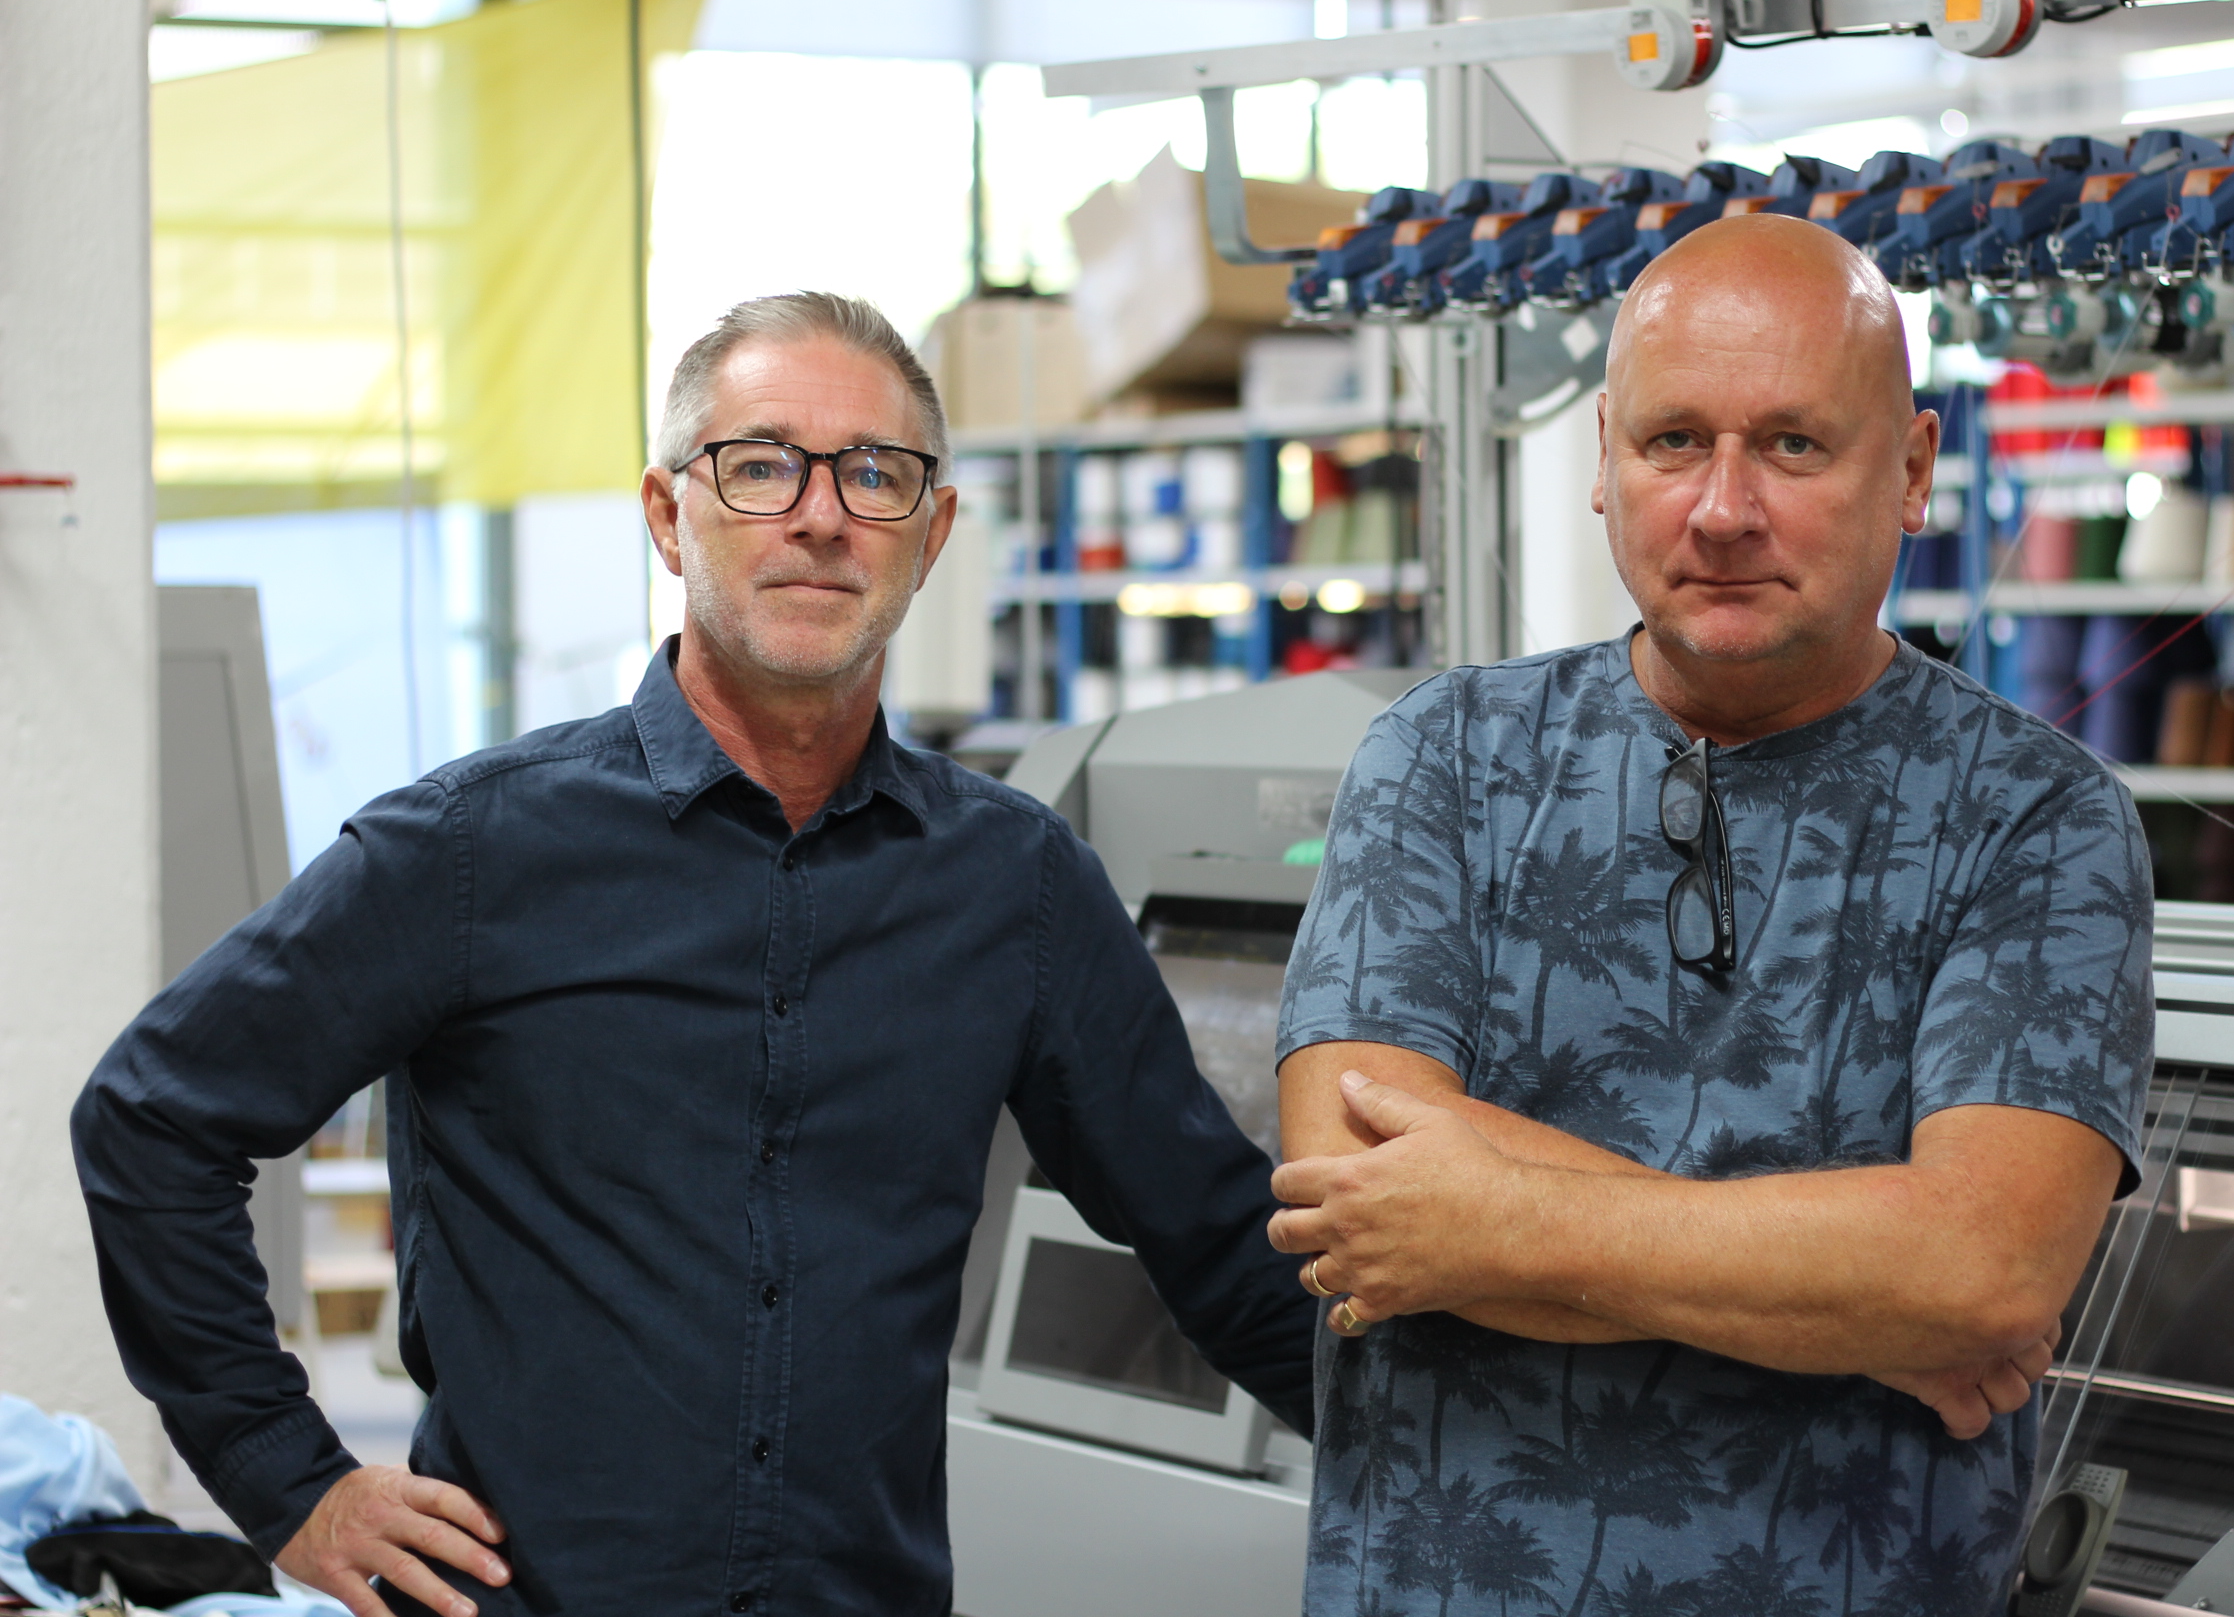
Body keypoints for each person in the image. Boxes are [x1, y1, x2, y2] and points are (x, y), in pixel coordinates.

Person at [73, 292, 1312, 1617]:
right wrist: (292, 1482)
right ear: (669, 515)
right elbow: (152, 1121)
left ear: (932, 533)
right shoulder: (472, 852)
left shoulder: (1014, 887)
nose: (822, 516)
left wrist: (1487, 1458)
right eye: (762, 464)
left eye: (876, 474)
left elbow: (1221, 1248)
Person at [1269, 215, 2154, 1617]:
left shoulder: (2035, 818)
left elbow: (1979, 1275)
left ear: (1913, 469)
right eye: (1674, 442)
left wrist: (1493, 1218)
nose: (1724, 507)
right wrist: (1859, 1308)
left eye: (1795, 445)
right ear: (1606, 462)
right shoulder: (1445, 754)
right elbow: (1350, 1189)